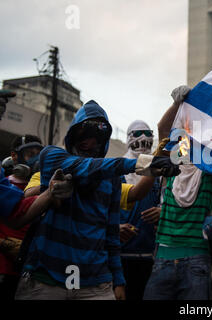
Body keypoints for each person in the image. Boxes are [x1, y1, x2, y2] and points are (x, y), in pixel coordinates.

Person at [14, 100, 179, 300]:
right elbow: (86, 167)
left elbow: (111, 234)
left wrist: (118, 280)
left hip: (94, 283)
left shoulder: (111, 179)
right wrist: (147, 164)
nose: (90, 146)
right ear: (73, 137)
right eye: (84, 139)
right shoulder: (52, 157)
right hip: (46, 279)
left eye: (96, 141)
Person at [143, 86, 212, 300]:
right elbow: (163, 130)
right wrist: (177, 104)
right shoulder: (173, 166)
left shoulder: (210, 167)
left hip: (197, 257)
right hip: (164, 257)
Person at [119, 120, 161, 300]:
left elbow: (166, 202)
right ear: (129, 137)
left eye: (147, 133)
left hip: (148, 257)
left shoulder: (158, 172)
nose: (143, 138)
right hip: (119, 256)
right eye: (137, 134)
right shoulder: (117, 169)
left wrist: (162, 212)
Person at [0, 135, 44, 299]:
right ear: (14, 156)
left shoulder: (44, 188)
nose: (36, 159)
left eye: (39, 154)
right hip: (3, 269)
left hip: (29, 271)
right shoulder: (4, 185)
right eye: (30, 154)